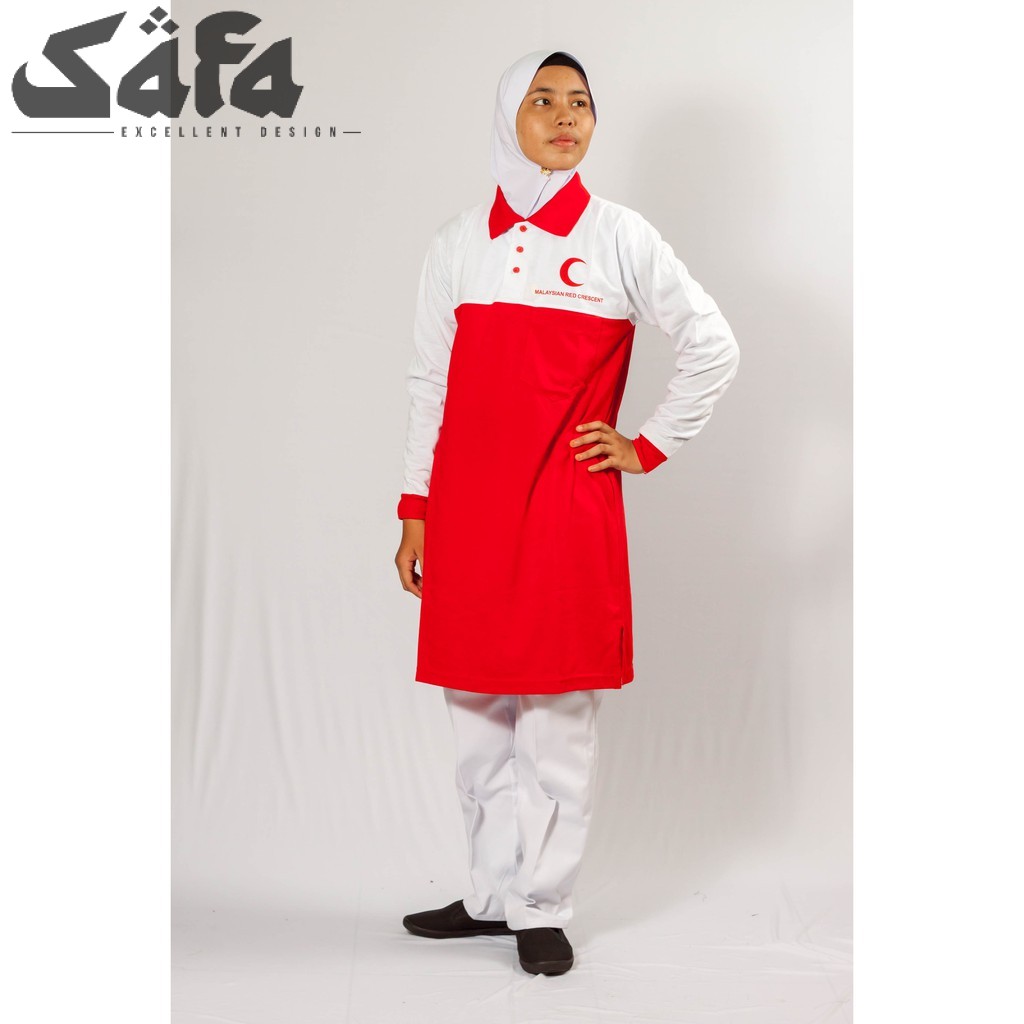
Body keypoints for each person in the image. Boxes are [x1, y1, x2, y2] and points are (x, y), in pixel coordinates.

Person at [394, 49, 740, 976]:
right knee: (477, 723)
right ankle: (488, 897)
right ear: (507, 116)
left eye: (579, 102)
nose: (563, 116)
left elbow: (712, 343)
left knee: (554, 723)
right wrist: (416, 508)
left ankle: (541, 907)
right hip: (467, 514)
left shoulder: (619, 235)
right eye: (542, 100)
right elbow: (430, 385)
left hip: (563, 515)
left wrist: (646, 443)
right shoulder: (457, 243)